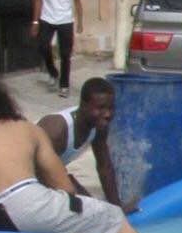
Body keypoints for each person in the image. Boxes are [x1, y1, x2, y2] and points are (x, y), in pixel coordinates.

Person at [0, 78, 144, 233]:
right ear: (0, 102)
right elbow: (65, 188)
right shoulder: (25, 128)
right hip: (28, 201)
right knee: (113, 217)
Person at [35, 77, 132, 211]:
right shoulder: (57, 129)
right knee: (88, 210)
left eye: (111, 108)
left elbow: (104, 167)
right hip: (24, 179)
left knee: (94, 209)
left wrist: (117, 209)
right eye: (101, 108)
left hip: (50, 174)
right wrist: (82, 199)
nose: (108, 114)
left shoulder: (99, 125)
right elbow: (37, 170)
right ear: (84, 105)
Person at [30, 0, 83, 98]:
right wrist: (35, 22)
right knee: (43, 46)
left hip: (65, 20)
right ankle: (53, 72)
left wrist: (80, 22)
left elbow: (77, 0)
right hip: (47, 18)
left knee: (65, 54)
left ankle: (64, 85)